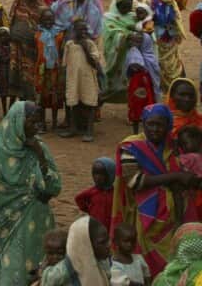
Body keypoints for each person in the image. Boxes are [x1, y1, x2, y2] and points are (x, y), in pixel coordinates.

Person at [0, 102, 61, 285]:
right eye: (32, 122)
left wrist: (40, 155)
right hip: (9, 224)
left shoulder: (39, 147)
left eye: (39, 123)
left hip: (38, 222)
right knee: (12, 275)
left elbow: (54, 188)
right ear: (18, 121)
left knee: (39, 272)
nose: (37, 128)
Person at [113, 104, 191, 275]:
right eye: (150, 124)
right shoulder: (131, 147)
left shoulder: (175, 146)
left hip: (173, 217)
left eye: (160, 125)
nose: (155, 129)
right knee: (145, 261)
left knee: (170, 262)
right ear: (143, 123)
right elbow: (134, 181)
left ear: (168, 125)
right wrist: (175, 177)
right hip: (142, 217)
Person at [36, 216, 111, 286]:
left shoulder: (103, 261)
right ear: (87, 245)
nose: (109, 245)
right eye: (102, 242)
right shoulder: (66, 268)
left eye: (108, 239)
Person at [63, 20, 104, 142]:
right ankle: (73, 128)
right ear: (74, 31)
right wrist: (62, 77)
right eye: (81, 30)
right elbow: (65, 63)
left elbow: (94, 63)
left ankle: (89, 130)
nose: (84, 32)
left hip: (88, 78)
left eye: (85, 30)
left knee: (90, 103)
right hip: (73, 78)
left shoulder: (90, 44)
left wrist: (85, 48)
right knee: (73, 102)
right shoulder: (69, 45)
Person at [76, 157, 117, 236]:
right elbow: (79, 199)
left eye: (101, 174)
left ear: (110, 175)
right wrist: (89, 210)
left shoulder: (116, 193)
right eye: (95, 173)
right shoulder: (92, 191)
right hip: (96, 225)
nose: (97, 177)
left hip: (111, 225)